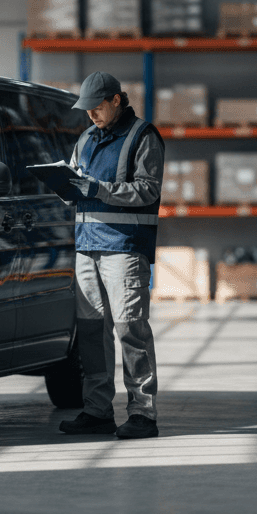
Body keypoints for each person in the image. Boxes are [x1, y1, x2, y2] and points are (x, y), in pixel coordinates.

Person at [58, 71, 165, 440]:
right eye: (87, 109)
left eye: (97, 107)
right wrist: (65, 187)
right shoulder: (86, 138)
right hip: (86, 247)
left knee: (130, 329)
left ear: (117, 100)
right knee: (91, 332)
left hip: (124, 248)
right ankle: (97, 410)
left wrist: (98, 189)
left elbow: (147, 190)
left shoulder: (143, 137)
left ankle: (143, 414)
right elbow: (76, 180)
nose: (91, 115)